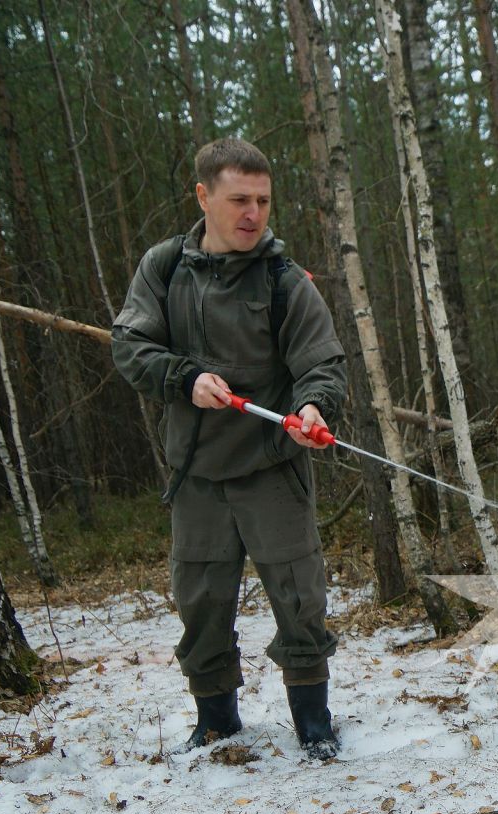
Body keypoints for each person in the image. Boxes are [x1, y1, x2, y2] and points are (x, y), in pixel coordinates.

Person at [112, 138, 349, 760]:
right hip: (196, 474)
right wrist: (184, 379)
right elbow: (131, 347)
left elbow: (321, 363)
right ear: (203, 196)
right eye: (239, 199)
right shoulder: (162, 270)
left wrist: (313, 410)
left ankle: (314, 723)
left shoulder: (284, 279)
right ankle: (215, 720)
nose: (254, 213)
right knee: (201, 602)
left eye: (263, 201)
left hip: (273, 468)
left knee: (301, 599)